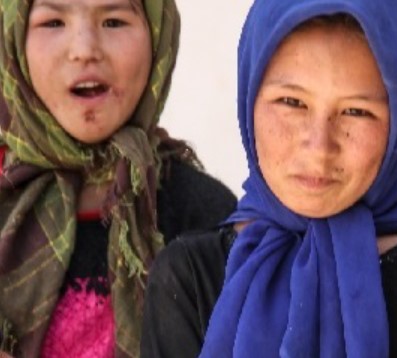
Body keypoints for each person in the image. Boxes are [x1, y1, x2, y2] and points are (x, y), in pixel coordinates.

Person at [140, 0, 397, 357]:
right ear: (248, 98)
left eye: (356, 112)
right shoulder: (189, 276)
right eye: (291, 102)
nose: (319, 147)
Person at [0, 0, 236, 356]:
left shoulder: (204, 219)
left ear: (158, 37)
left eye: (113, 21)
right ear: (12, 38)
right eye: (52, 23)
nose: (84, 50)